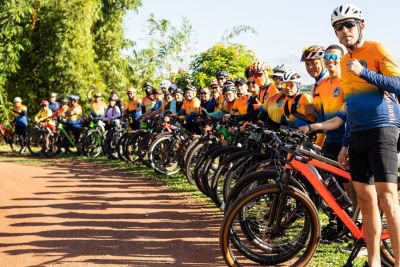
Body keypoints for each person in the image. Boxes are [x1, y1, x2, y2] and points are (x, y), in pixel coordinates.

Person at [328, 4, 400, 267]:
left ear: (361, 26)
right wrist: (345, 143)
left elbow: (399, 85)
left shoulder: (377, 49)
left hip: (383, 129)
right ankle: (374, 263)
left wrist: (365, 73)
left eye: (349, 24)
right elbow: (351, 107)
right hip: (357, 135)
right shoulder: (345, 62)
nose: (345, 30)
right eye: (339, 27)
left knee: (388, 199)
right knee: (367, 203)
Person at [299, 44, 349, 243]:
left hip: (346, 139)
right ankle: (339, 224)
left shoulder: (345, 80)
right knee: (329, 184)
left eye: (314, 62)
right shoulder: (320, 86)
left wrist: (313, 128)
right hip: (330, 139)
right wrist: (317, 138)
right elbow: (319, 116)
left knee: (347, 186)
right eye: (307, 64)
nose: (311, 67)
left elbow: (339, 118)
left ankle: (349, 226)